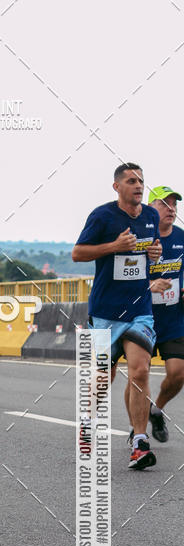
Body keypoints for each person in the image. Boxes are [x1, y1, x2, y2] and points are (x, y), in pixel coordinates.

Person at [72, 163, 162, 470]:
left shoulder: (151, 215)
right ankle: (87, 421)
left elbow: (149, 251)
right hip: (105, 311)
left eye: (141, 181)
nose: (138, 186)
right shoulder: (102, 216)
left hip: (139, 308)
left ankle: (139, 442)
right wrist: (114, 246)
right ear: (117, 187)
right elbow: (77, 253)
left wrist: (154, 254)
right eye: (132, 181)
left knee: (140, 372)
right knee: (102, 377)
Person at [146, 185, 184, 443]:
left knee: (178, 372)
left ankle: (155, 410)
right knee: (139, 374)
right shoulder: (141, 237)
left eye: (174, 205)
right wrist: (149, 286)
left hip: (174, 318)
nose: (171, 209)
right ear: (150, 208)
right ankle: (137, 430)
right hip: (144, 317)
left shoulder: (182, 236)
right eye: (164, 204)